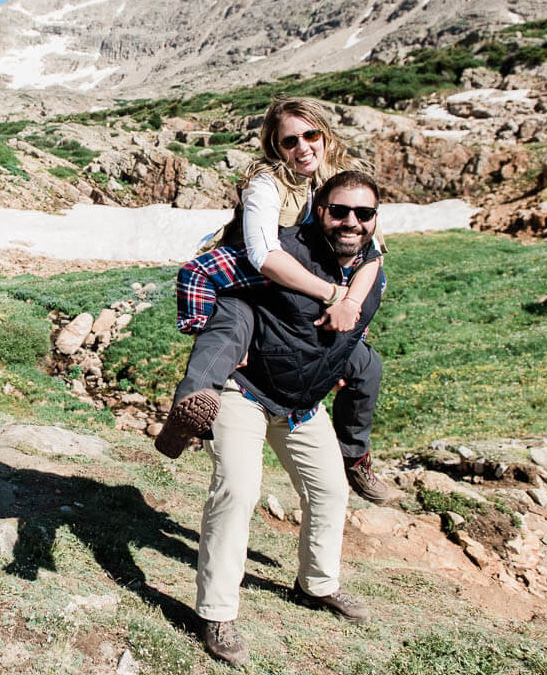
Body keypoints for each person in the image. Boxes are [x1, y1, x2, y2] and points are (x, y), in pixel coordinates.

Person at [155, 97, 393, 503]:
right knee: (232, 330)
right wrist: (335, 294)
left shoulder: (343, 186)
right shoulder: (268, 184)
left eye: (311, 135)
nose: (303, 147)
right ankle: (190, 407)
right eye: (290, 141)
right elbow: (262, 256)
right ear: (274, 146)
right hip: (250, 282)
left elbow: (373, 256)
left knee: (366, 367)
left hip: (304, 293)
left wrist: (350, 307)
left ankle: (355, 456)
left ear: (325, 135)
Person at [192, 171, 386, 666]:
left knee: (330, 491)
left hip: (303, 403)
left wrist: (337, 366)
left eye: (363, 214)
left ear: (374, 220)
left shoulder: (371, 271)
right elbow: (215, 282)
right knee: (238, 488)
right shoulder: (285, 252)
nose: (350, 222)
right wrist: (224, 341)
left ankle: (315, 586)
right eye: (339, 210)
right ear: (319, 209)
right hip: (248, 391)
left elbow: (351, 333)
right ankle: (217, 613)